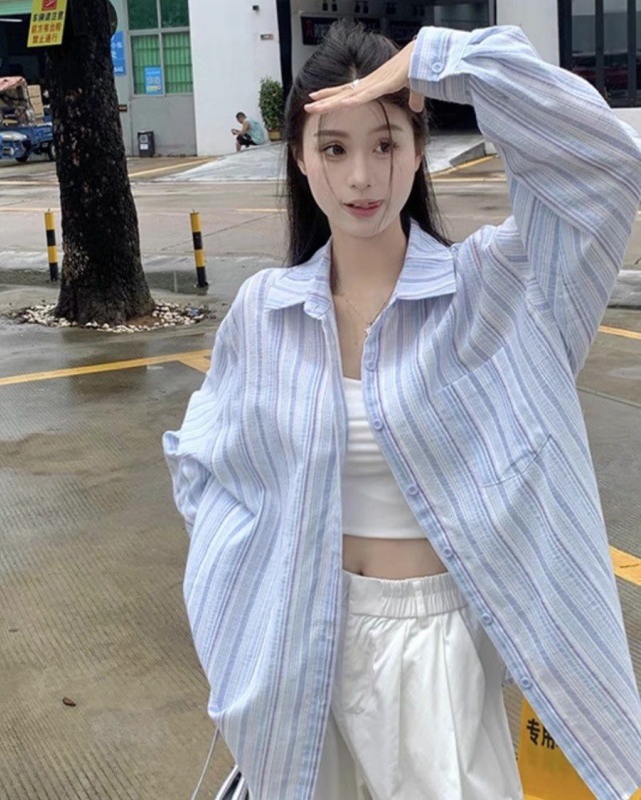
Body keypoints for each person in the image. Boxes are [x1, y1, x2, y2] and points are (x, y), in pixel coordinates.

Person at [164, 20, 641, 800]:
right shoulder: (265, 312)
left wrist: (447, 61)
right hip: (300, 644)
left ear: (419, 150)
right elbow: (207, 466)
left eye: (384, 144)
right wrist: (234, 604)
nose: (361, 177)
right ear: (299, 158)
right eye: (334, 148)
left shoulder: (495, 291)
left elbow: (605, 167)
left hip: (433, 649)